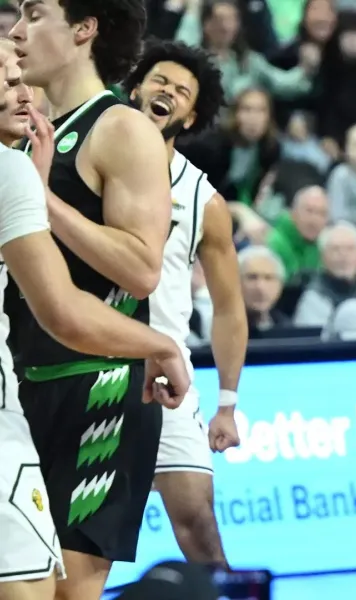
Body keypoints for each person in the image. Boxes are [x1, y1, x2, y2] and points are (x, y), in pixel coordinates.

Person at [0, 43, 188, 600]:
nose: (22, 87)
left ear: (86, 31)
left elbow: (140, 271)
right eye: (8, 79)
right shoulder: (14, 164)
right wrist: (159, 344)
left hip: (93, 385)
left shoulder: (120, 130)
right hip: (39, 374)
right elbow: (62, 308)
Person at [123, 39, 248, 567]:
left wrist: (227, 402)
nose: (167, 92)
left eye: (181, 90)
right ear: (134, 89)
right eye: (159, 81)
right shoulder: (79, 157)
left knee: (198, 523)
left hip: (165, 376)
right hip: (84, 360)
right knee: (73, 539)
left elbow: (230, 306)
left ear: (191, 114)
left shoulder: (203, 198)